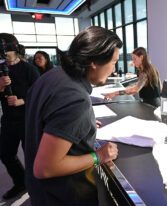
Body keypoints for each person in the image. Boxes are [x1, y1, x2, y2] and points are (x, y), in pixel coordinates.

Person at [25, 26, 120, 206]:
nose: (113, 69)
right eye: (114, 62)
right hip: (64, 196)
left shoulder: (51, 76)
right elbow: (45, 168)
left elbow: (47, 118)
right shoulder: (76, 99)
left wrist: (83, 124)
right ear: (94, 61)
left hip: (39, 193)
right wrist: (99, 156)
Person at [0, 33, 39, 200]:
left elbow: (39, 95)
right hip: (8, 121)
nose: (3, 57)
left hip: (27, 120)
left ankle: (38, 187)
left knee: (31, 155)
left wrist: (21, 101)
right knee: (5, 153)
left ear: (13, 49)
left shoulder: (29, 69)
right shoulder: (0, 70)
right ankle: (20, 182)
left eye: (4, 53)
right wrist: (0, 87)